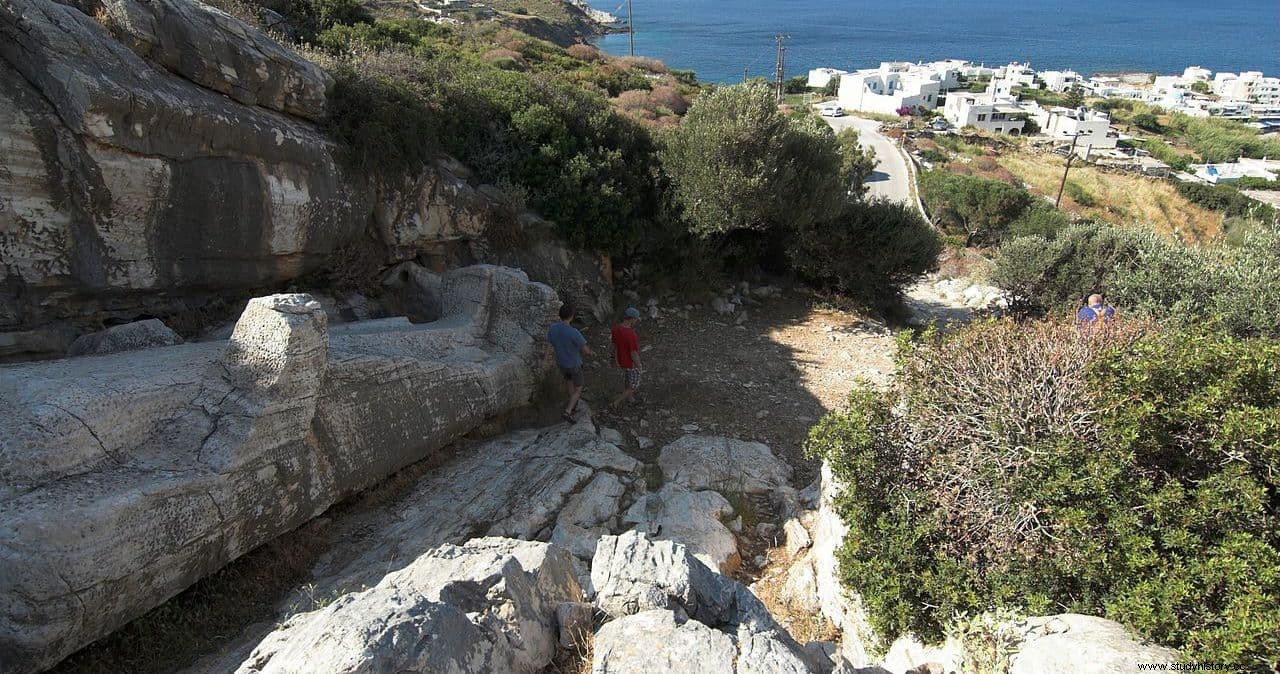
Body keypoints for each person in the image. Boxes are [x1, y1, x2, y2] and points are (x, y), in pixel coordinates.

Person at [548, 304, 592, 423]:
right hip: (573, 364)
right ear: (572, 316)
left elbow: (553, 342)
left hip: (561, 362)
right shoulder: (574, 332)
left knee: (569, 381)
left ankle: (573, 403)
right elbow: (586, 351)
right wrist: (591, 353)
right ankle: (568, 411)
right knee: (579, 388)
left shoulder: (552, 328)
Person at [610, 307, 643, 409]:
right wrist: (639, 365)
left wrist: (614, 359)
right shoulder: (631, 335)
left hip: (621, 360)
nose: (636, 321)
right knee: (634, 385)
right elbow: (633, 353)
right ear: (632, 319)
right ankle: (616, 402)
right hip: (630, 363)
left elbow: (614, 345)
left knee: (628, 378)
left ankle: (630, 398)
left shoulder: (615, 329)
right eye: (636, 319)